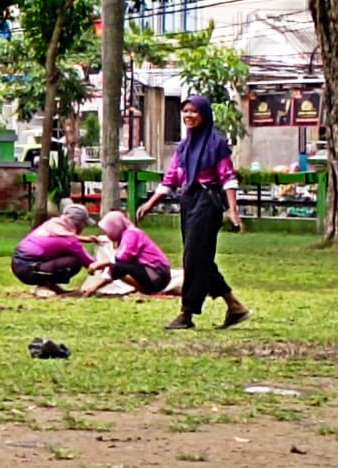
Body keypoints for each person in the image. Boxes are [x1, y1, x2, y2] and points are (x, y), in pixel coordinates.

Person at [136, 95, 249, 330]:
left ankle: (187, 313)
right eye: (185, 111)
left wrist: (233, 211)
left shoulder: (216, 144)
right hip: (188, 200)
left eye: (193, 111)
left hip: (208, 201)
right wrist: (151, 203)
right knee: (200, 258)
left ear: (204, 114)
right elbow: (172, 178)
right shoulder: (184, 147)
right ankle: (234, 306)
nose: (188, 115)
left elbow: (227, 177)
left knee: (193, 257)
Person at [80, 210, 172, 296]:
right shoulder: (126, 237)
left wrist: (99, 264)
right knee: (117, 267)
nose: (107, 235)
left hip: (157, 275)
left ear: (114, 227)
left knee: (118, 266)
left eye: (107, 231)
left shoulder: (131, 234)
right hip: (153, 275)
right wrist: (94, 288)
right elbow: (114, 270)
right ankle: (143, 290)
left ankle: (146, 290)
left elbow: (120, 261)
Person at [10, 204, 94, 293]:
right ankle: (44, 286)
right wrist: (108, 263)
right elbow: (89, 262)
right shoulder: (70, 240)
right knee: (75, 261)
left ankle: (50, 285)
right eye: (85, 224)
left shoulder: (52, 224)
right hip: (30, 269)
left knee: (63, 254)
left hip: (19, 264)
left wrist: (83, 238)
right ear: (79, 223)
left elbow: (55, 239)